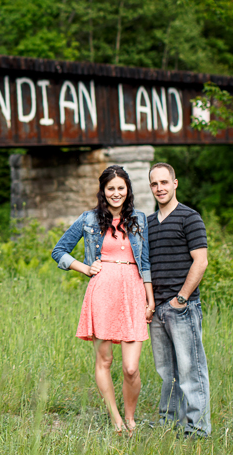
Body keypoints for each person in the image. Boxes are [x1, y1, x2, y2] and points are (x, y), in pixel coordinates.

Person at [52, 165, 155, 436]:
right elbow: (58, 250)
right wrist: (84, 268)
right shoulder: (88, 219)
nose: (116, 193)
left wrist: (150, 299)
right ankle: (116, 419)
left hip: (132, 291)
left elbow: (145, 263)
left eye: (121, 188)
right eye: (111, 188)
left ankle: (131, 417)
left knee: (131, 368)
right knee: (105, 361)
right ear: (103, 191)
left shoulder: (140, 220)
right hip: (102, 291)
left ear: (128, 190)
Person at [147, 162, 211, 438]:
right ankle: (168, 422)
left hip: (182, 307)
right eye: (154, 184)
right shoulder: (148, 223)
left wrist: (181, 298)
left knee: (190, 370)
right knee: (166, 372)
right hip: (158, 308)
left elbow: (201, 261)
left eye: (164, 182)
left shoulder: (190, 217)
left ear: (175, 183)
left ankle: (197, 429)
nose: (159, 188)